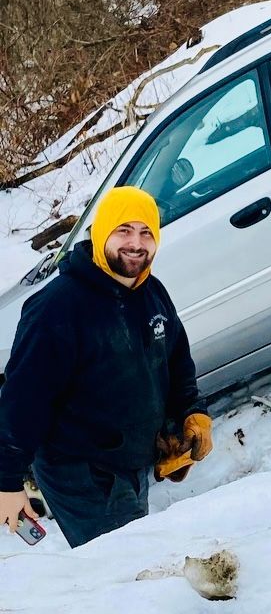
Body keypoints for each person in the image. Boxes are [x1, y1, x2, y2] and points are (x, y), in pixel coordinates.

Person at [0, 186, 212, 548]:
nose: (136, 243)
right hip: (81, 472)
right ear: (101, 235)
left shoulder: (151, 293)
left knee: (134, 556)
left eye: (146, 232)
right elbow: (23, 400)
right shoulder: (58, 308)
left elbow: (175, 361)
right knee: (127, 564)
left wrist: (189, 413)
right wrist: (6, 482)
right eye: (124, 231)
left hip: (130, 461)